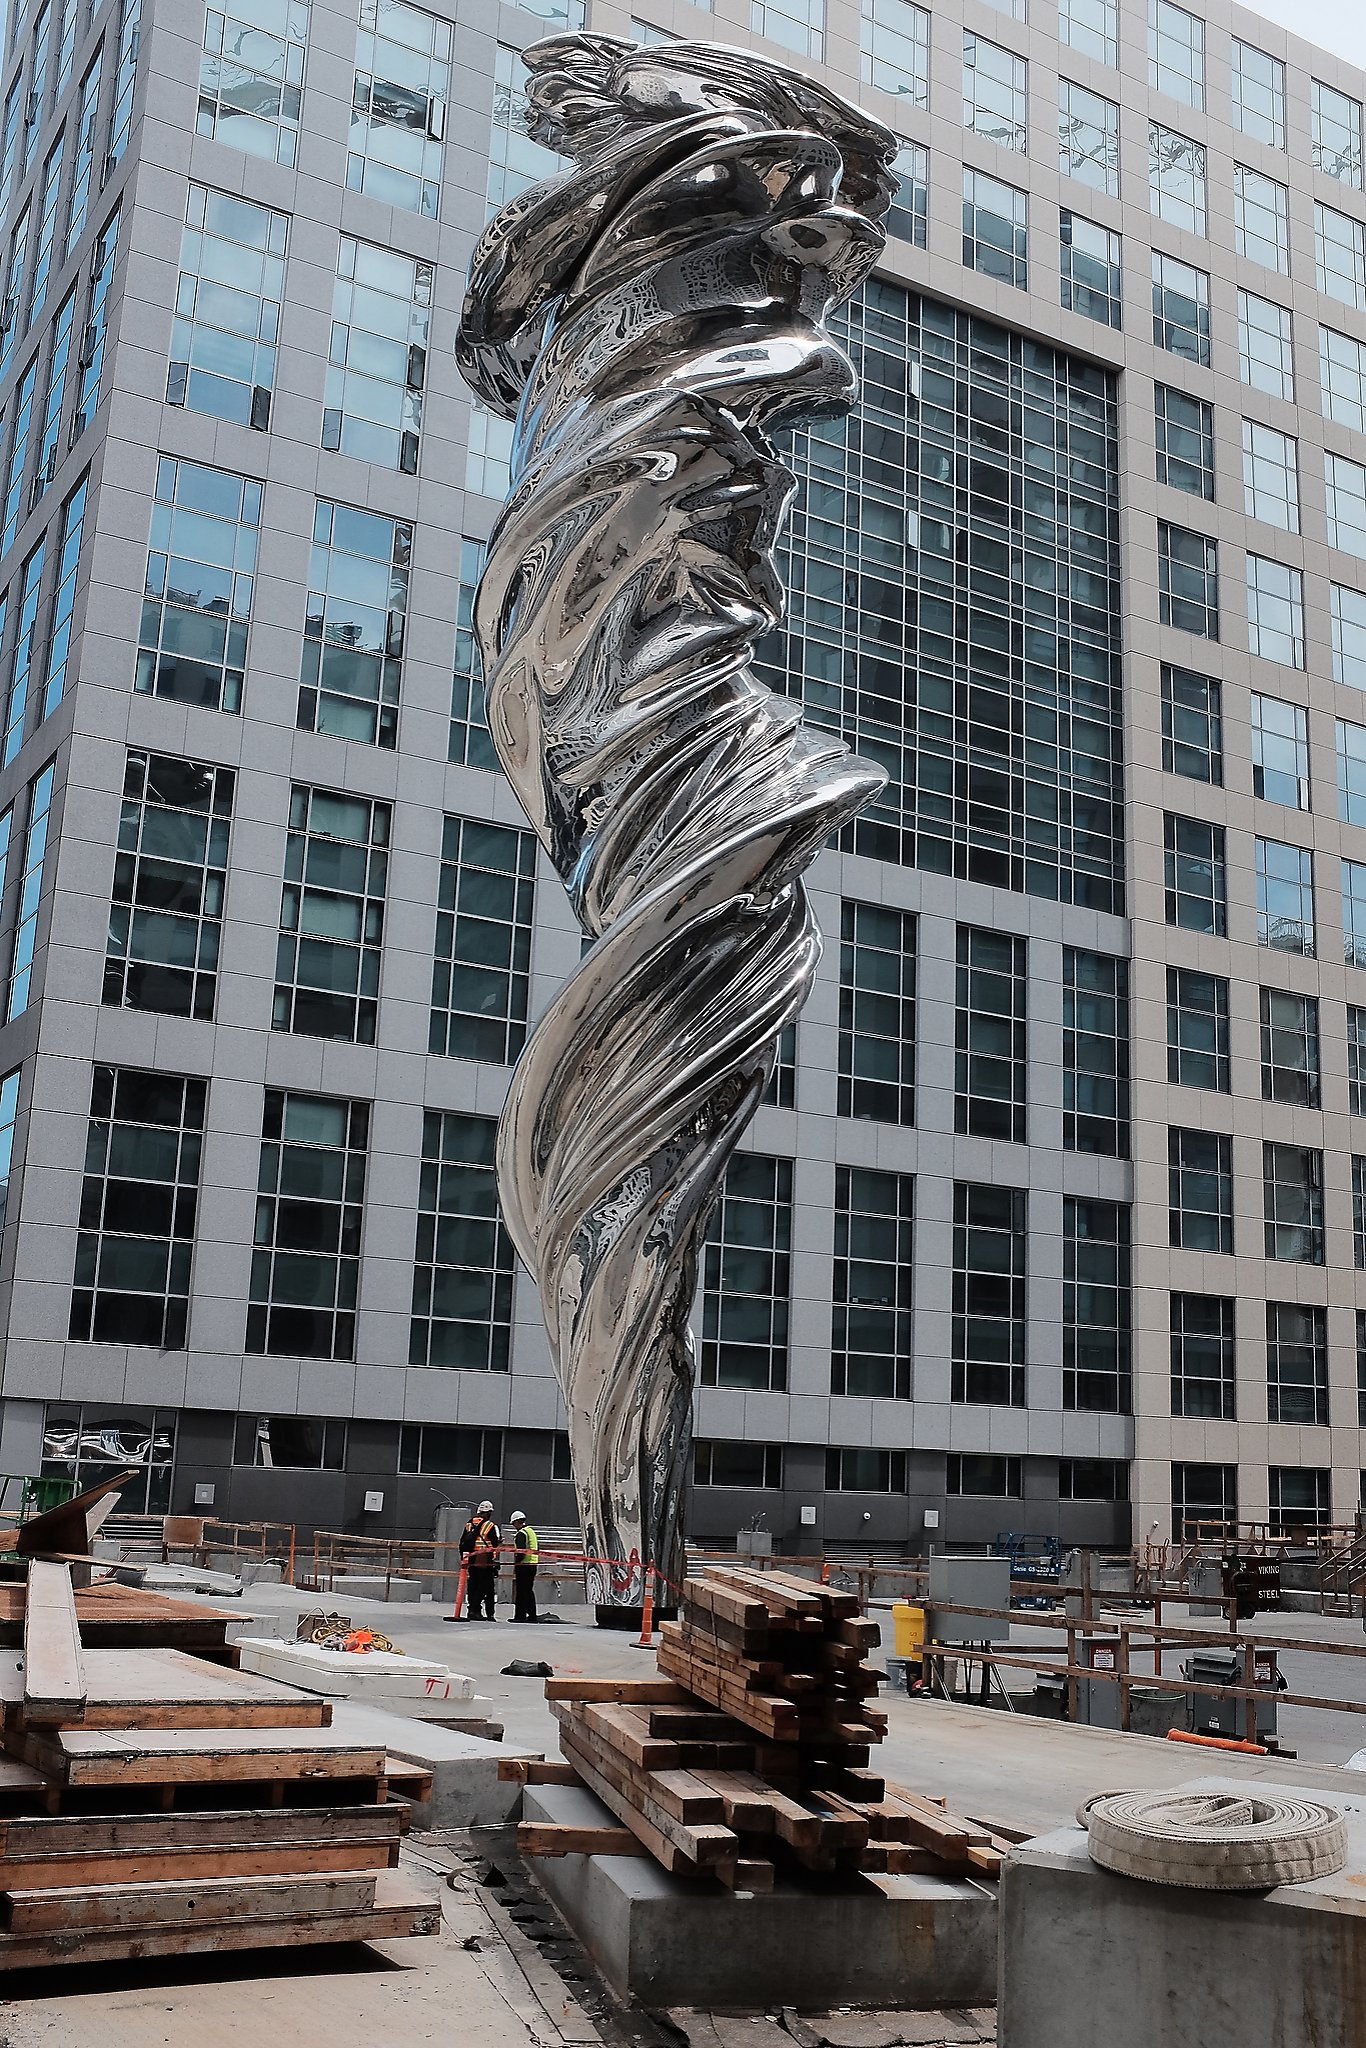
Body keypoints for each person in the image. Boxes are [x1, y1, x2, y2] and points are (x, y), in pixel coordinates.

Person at [460, 1500, 500, 1619]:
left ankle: (472, 1609)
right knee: (483, 1586)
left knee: (472, 1585)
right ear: (488, 1513)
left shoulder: (469, 1523)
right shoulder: (489, 1525)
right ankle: (476, 1610)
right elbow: (494, 1543)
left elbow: (463, 1541)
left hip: (470, 1559)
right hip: (484, 1560)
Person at [509, 1510, 538, 1622]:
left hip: (524, 1565)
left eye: (513, 1524)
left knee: (521, 1592)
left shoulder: (521, 1534)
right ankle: (532, 1616)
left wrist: (517, 1563)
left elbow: (521, 1552)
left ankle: (519, 1616)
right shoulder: (530, 1531)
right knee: (528, 1591)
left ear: (517, 1522)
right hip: (532, 1564)